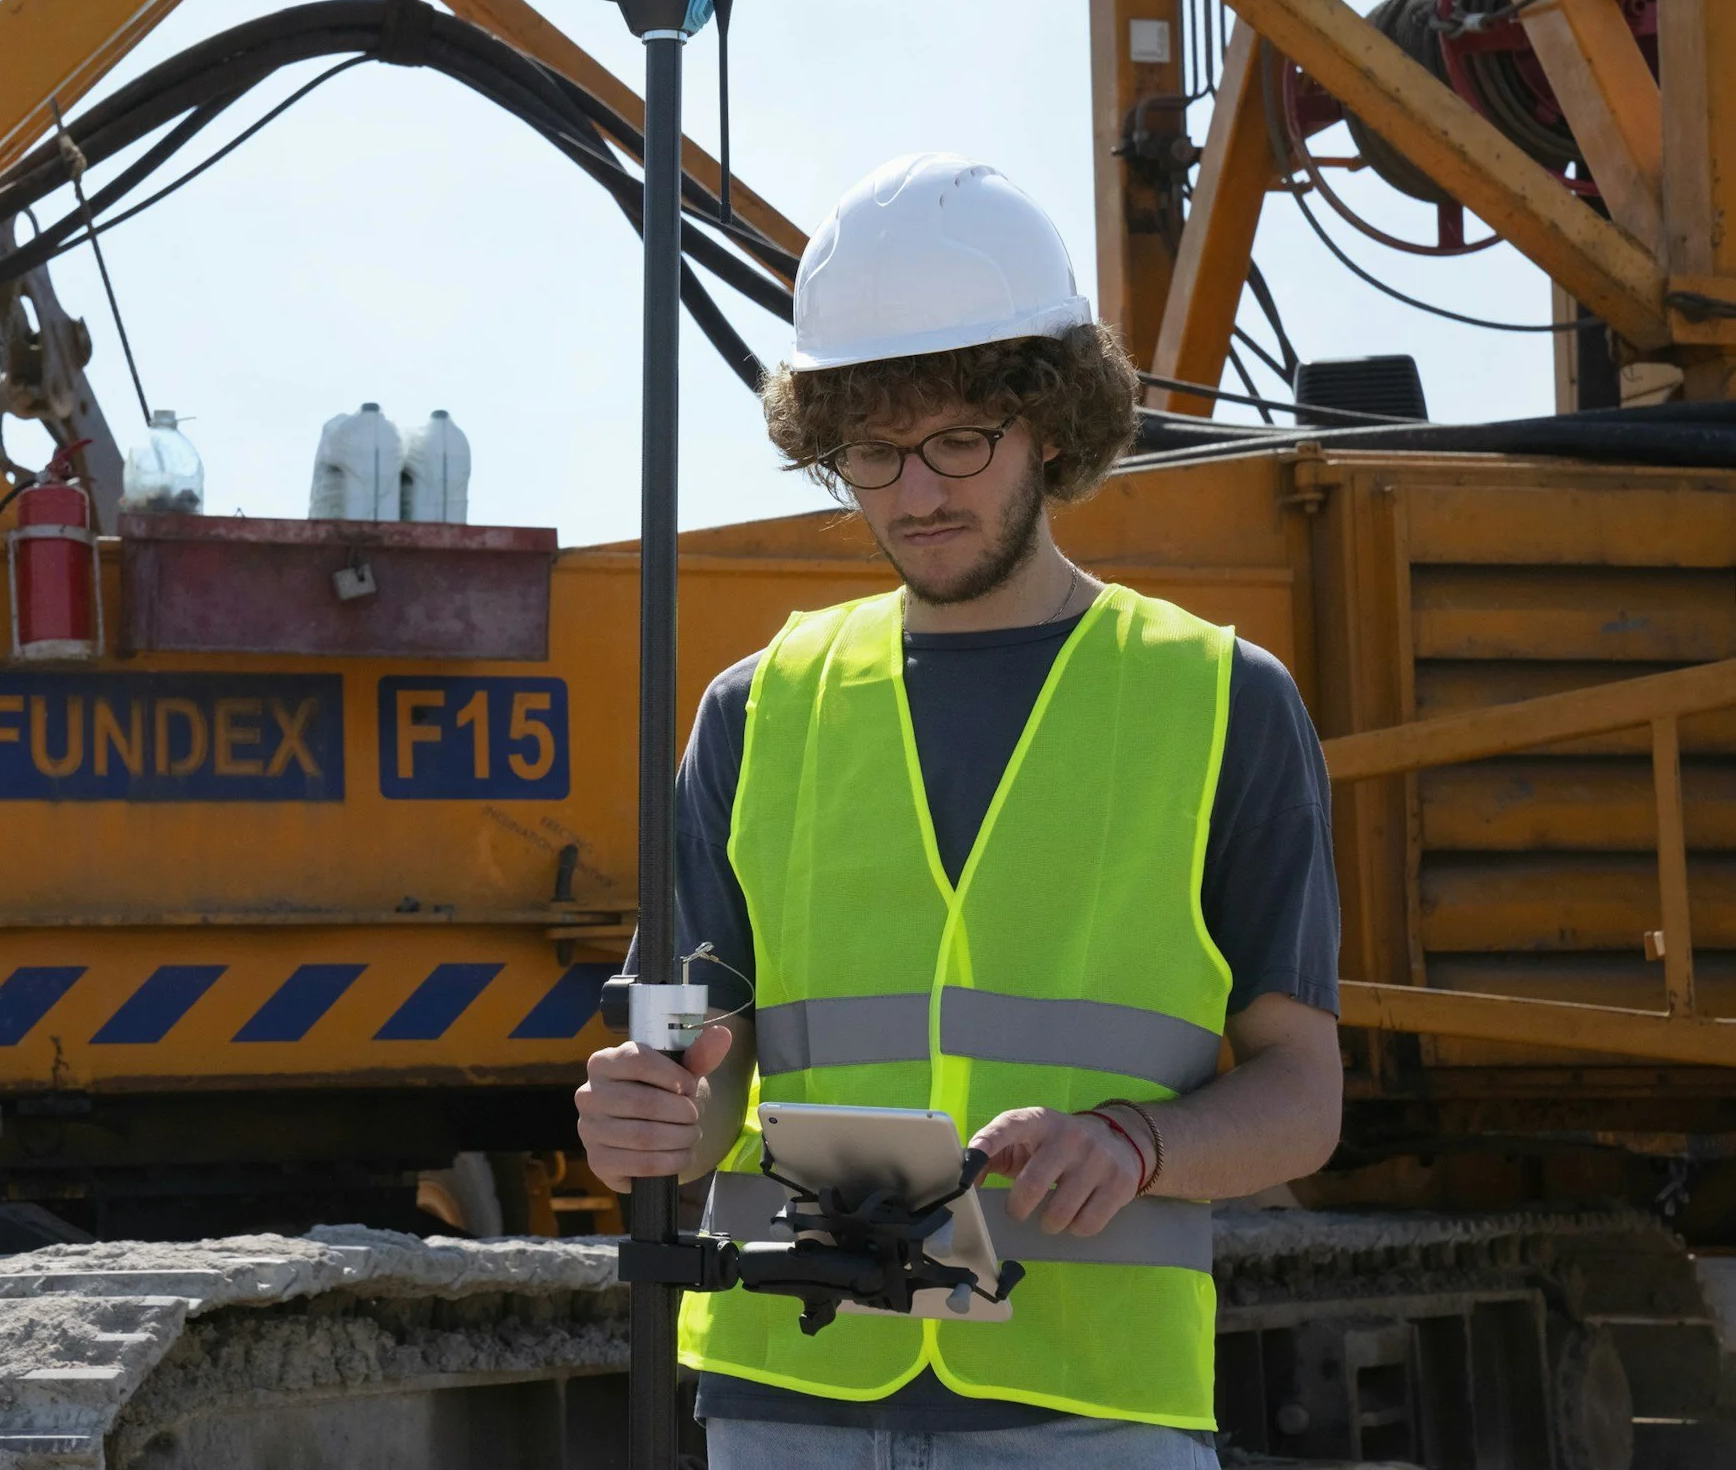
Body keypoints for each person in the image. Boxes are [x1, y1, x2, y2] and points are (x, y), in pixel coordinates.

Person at [576, 153, 1343, 1469]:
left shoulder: (1219, 702)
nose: (916, 493)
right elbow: (692, 1038)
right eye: (872, 453)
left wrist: (1139, 1145)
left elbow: (1304, 1097)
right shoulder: (758, 709)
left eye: (958, 443)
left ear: (1050, 423)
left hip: (1089, 1404)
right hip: (788, 1383)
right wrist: (639, 1108)